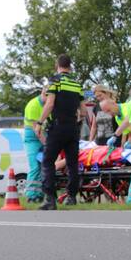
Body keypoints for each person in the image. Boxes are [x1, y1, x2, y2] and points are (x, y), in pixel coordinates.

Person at [38, 55, 83, 210]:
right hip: (72, 128)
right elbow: (83, 110)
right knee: (72, 163)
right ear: (69, 66)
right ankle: (71, 197)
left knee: (48, 161)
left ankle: (50, 199)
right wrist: (77, 121)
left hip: (57, 127)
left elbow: (50, 104)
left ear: (57, 64)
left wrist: (39, 122)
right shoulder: (77, 83)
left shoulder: (55, 80)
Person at [23, 88, 47, 203]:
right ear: (44, 94)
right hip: (32, 138)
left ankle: (40, 194)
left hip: (43, 135)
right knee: (35, 166)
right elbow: (37, 130)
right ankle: (31, 195)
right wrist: (47, 144)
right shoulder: (33, 105)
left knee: (43, 167)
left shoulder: (48, 104)